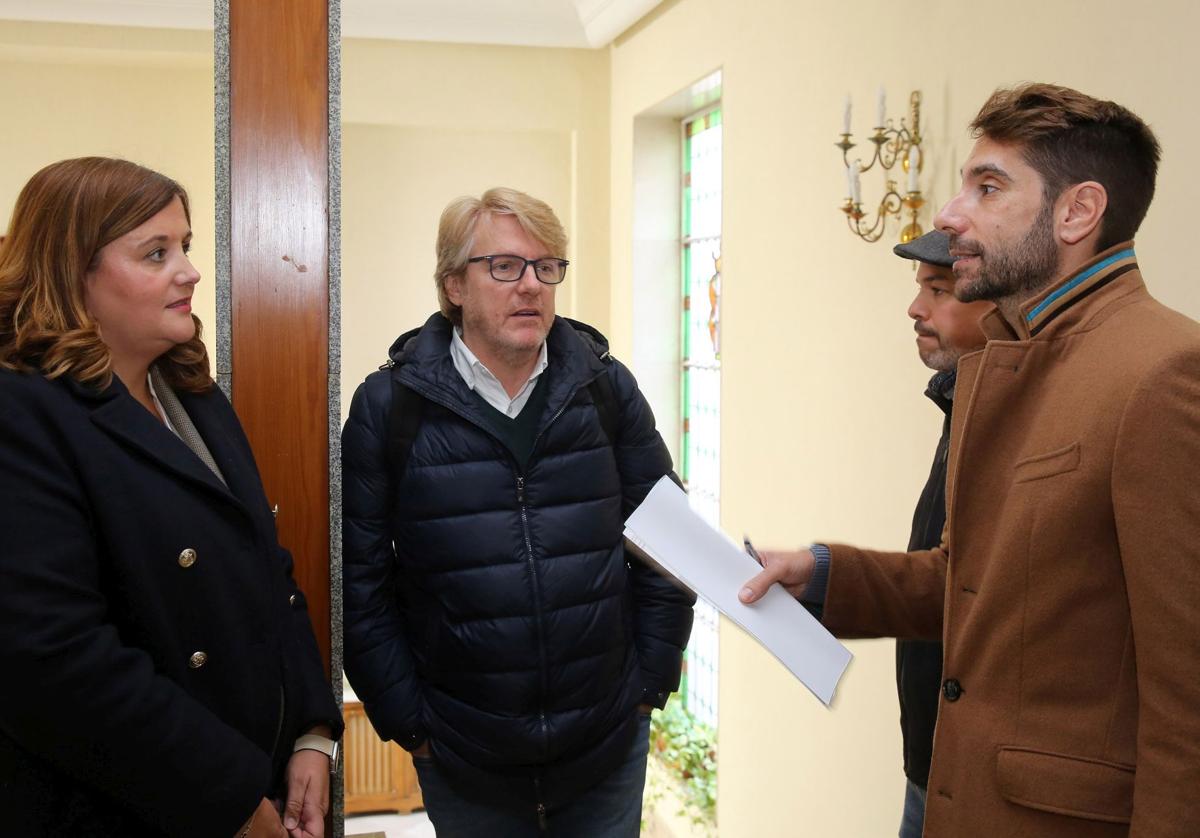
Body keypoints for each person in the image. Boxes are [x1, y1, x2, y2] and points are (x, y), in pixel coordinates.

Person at [740, 84, 1200, 836]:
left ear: (1078, 212)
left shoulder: (1163, 372)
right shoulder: (1018, 356)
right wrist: (827, 574)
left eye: (988, 187)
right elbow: (982, 584)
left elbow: (1189, 695)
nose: (951, 216)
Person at [0, 157, 342, 838]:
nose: (189, 271)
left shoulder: (192, 396)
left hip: (251, 775)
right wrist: (232, 798)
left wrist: (311, 731)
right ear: (73, 274)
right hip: (127, 806)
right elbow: (56, 663)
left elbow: (267, 575)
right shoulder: (23, 415)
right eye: (156, 252)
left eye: (184, 246)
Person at [342, 187, 695, 836]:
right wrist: (411, 724)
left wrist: (648, 687)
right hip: (463, 756)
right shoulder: (388, 407)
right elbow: (360, 588)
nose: (530, 285)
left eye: (547, 266)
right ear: (454, 285)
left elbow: (670, 544)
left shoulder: (604, 389)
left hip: (606, 746)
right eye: (504, 266)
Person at [892, 230, 990, 838]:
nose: (915, 309)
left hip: (975, 780)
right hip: (928, 760)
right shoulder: (962, 396)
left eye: (939, 290)